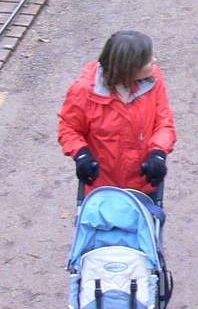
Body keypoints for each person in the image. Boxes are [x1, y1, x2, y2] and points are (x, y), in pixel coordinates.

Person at [58, 30, 176, 197]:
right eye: (147, 60)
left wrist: (158, 153)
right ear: (129, 68)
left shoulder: (154, 80)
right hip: (102, 187)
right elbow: (69, 128)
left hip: (144, 182)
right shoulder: (83, 91)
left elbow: (164, 122)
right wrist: (81, 154)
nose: (154, 61)